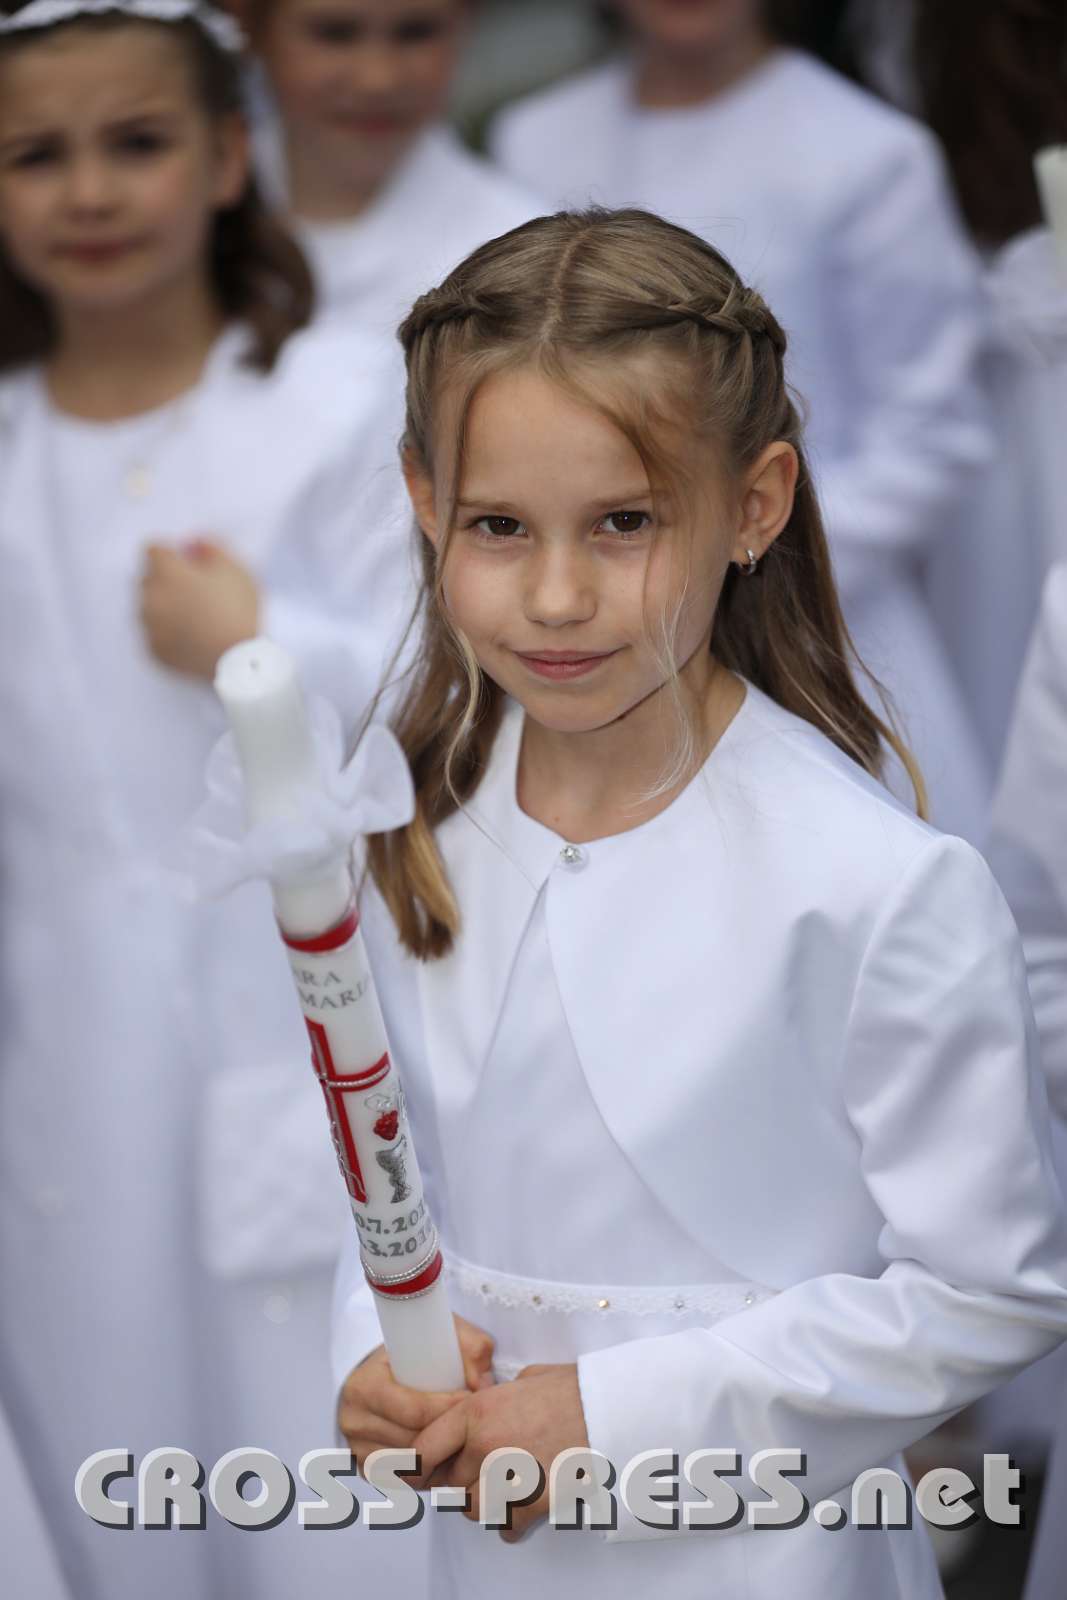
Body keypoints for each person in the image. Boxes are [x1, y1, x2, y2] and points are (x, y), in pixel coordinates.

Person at [327, 207, 1067, 1599]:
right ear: (424, 501)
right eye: (498, 526)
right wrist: (372, 1351)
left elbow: (988, 1289)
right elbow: (375, 1164)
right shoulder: (413, 823)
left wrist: (612, 1419)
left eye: (623, 523)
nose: (556, 595)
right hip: (482, 1546)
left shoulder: (871, 884)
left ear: (753, 504)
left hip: (765, 1550)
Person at [0, 4, 416, 1598]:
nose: (90, 192)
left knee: (306, 1424)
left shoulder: (326, 405)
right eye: (37, 156)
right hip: (61, 1049)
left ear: (233, 156)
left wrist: (260, 642)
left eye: (137, 142)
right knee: (103, 1397)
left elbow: (432, 684)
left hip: (292, 1004)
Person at [489, 0, 992, 842]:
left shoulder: (867, 151)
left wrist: (724, 551)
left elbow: (931, 432)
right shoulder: (535, 140)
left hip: (822, 616)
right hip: (594, 610)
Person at [244, 0, 541, 343]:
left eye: (416, 32)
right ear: (253, 27)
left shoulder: (515, 255)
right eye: (335, 33)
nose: (378, 79)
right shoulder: (205, 214)